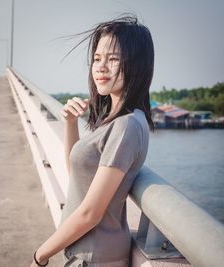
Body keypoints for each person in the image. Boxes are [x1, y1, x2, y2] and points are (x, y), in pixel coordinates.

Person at [30, 15, 155, 267]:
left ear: (137, 66)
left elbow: (90, 214)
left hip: (95, 257)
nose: (101, 67)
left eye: (113, 59)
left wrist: (40, 255)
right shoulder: (114, 119)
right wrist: (69, 123)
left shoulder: (126, 125)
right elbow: (78, 176)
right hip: (87, 253)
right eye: (97, 59)